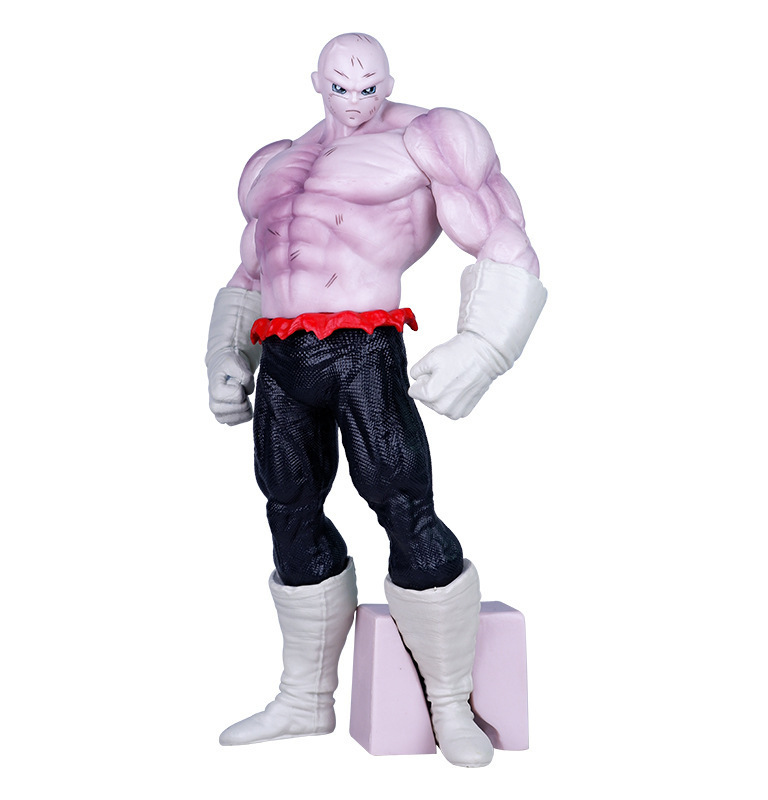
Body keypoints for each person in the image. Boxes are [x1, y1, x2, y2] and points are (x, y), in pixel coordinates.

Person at [206, 33, 546, 768]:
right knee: (288, 508)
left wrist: (484, 346)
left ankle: (450, 704)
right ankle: (304, 699)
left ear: (389, 81)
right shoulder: (274, 165)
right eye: (341, 87)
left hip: (363, 347)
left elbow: (504, 236)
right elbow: (250, 273)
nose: (356, 101)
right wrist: (225, 353)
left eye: (369, 87)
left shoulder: (430, 138)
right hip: (285, 356)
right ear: (316, 83)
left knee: (404, 505)